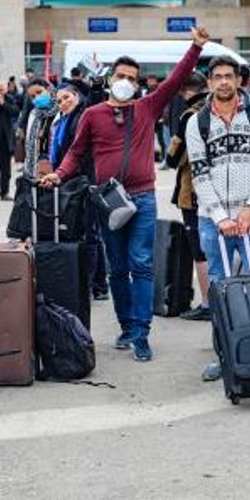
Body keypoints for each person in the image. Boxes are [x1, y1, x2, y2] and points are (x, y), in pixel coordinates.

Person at [42, 26, 210, 362]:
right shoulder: (92, 114)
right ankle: (127, 326)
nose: (127, 81)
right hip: (109, 201)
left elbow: (175, 80)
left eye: (133, 78)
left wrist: (195, 48)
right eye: (121, 75)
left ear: (137, 83)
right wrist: (58, 175)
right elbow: (76, 153)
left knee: (142, 264)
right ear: (110, 78)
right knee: (117, 268)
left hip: (143, 198)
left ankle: (142, 333)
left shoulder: (146, 107)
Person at [186, 56, 250, 381]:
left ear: (238, 80)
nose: (224, 82)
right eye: (218, 77)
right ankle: (224, 355)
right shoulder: (197, 123)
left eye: (229, 76)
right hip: (214, 221)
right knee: (220, 290)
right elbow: (199, 174)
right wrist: (221, 216)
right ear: (209, 83)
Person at [48, 83, 108, 300]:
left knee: (89, 233)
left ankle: (91, 285)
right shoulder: (64, 120)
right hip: (75, 182)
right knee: (89, 232)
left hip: (88, 180)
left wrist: (97, 89)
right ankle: (99, 285)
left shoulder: (84, 113)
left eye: (67, 97)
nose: (63, 103)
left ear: (77, 96)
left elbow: (97, 103)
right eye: (59, 101)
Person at [167, 73, 211, 321]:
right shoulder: (223, 110)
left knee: (200, 248)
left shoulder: (190, 116)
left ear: (186, 91)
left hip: (193, 190)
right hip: (225, 190)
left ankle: (207, 303)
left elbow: (173, 157)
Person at [22, 78, 58, 179]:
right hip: (39, 161)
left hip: (58, 161)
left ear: (49, 89)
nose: (37, 98)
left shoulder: (62, 109)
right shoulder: (34, 114)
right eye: (33, 96)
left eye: (39, 92)